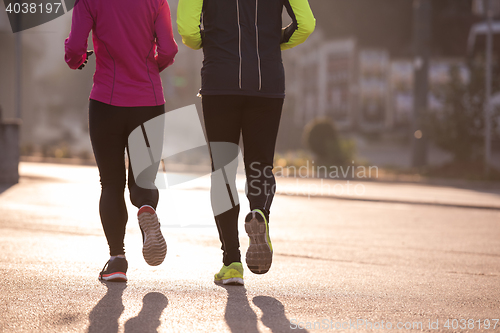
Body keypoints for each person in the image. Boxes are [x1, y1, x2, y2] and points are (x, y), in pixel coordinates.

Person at [177, 0, 315, 285]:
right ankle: (259, 213)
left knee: (223, 173)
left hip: (220, 80)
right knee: (261, 164)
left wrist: (214, 42)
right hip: (267, 82)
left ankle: (232, 263)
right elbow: (306, 24)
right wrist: (271, 43)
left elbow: (189, 31)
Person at [65, 0, 178, 282]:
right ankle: (146, 207)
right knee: (143, 179)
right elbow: (168, 49)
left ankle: (117, 261)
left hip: (106, 101)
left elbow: (75, 49)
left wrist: (77, 60)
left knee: (111, 182)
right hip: (149, 100)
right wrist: (149, 71)